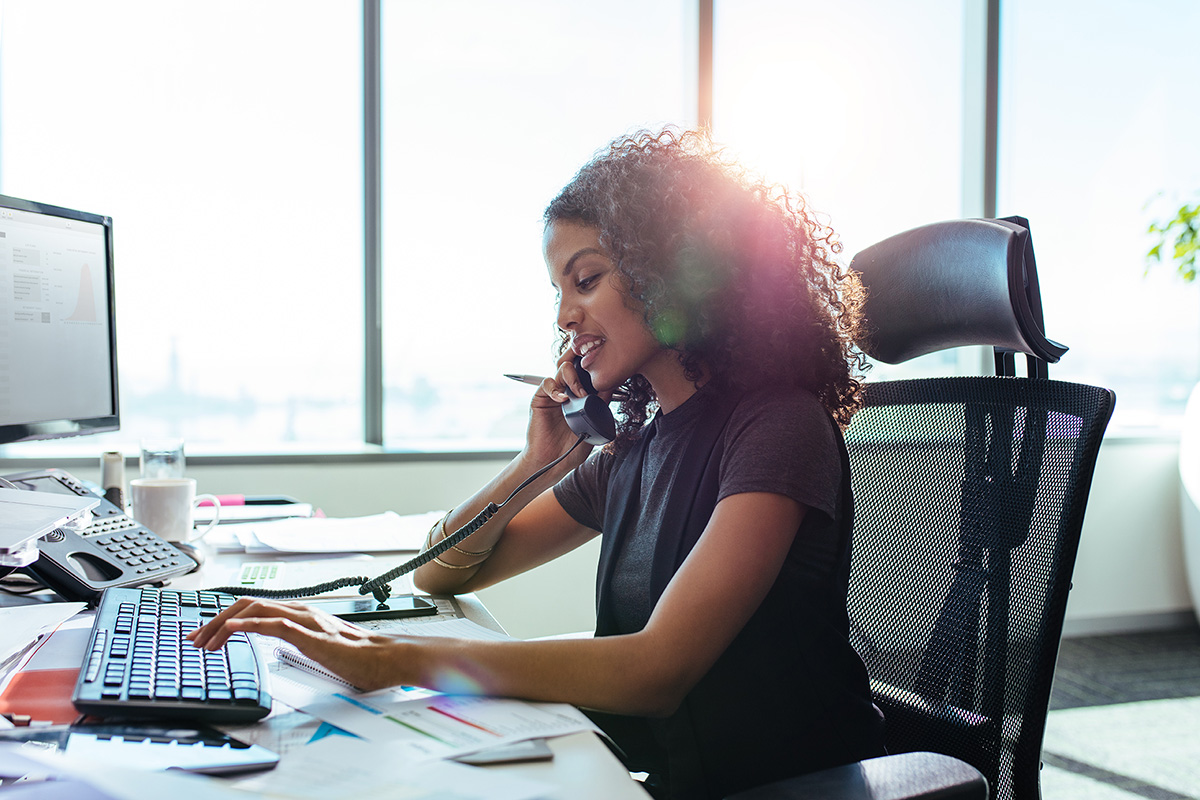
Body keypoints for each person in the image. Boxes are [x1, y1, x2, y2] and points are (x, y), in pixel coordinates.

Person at [189, 128, 886, 799]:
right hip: (656, 773)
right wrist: (538, 462)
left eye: (585, 280)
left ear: (672, 271)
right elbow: (444, 570)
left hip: (775, 787)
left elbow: (657, 671)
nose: (564, 316)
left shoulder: (778, 426)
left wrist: (390, 660)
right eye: (560, 290)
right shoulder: (633, 450)